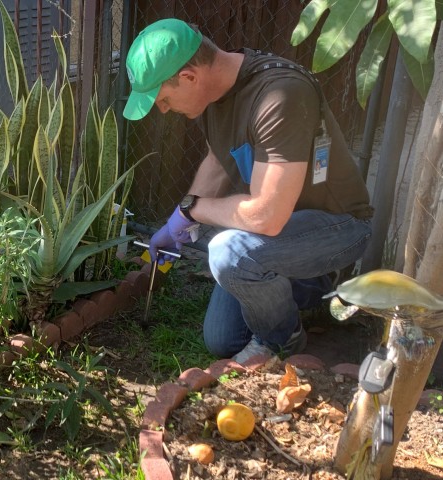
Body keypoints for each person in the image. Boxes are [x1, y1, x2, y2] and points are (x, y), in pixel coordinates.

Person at [123, 19, 373, 364]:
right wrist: (178, 221)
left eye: (163, 99)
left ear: (189, 77)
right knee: (223, 340)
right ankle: (303, 292)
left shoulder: (280, 94)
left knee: (230, 252)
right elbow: (216, 160)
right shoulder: (216, 94)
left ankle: (284, 338)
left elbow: (267, 217)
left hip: (336, 228)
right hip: (281, 232)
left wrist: (195, 209)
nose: (163, 110)